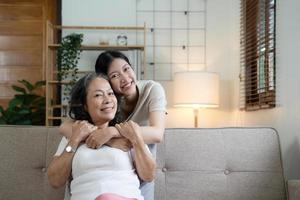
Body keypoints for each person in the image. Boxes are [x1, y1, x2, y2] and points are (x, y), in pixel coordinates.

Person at [60, 51, 167, 200]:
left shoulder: (152, 89)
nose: (125, 78)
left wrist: (111, 132)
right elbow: (65, 127)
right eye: (115, 76)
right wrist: (106, 138)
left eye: (126, 69)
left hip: (140, 145)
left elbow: (157, 134)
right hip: (116, 146)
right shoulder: (108, 102)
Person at [47, 73, 156, 200]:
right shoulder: (73, 135)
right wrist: (75, 140)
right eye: (98, 95)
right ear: (85, 105)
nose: (108, 99)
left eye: (110, 93)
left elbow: (149, 175)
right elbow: (55, 180)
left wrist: (136, 139)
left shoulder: (126, 133)